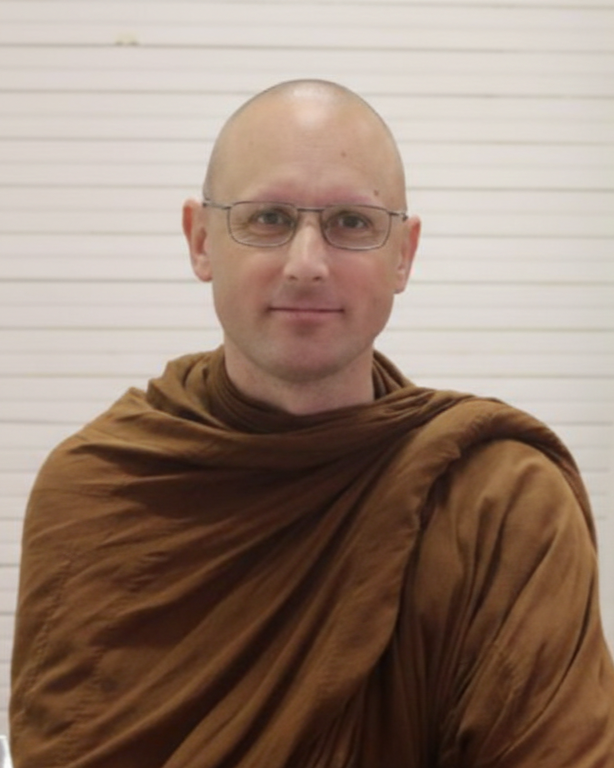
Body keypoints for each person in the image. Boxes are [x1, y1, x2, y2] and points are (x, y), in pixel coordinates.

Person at [9, 79, 614, 767]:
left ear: (404, 254)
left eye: (351, 223)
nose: (306, 265)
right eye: (267, 218)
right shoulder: (99, 490)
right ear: (201, 240)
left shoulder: (499, 503)